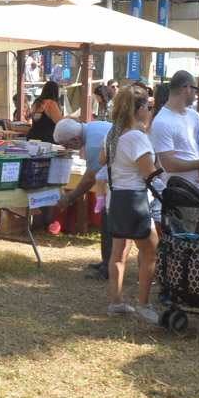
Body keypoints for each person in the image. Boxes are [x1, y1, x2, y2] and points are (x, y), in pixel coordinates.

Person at [97, 88, 159, 323]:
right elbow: (149, 175)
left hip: (116, 200)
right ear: (141, 110)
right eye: (148, 108)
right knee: (151, 250)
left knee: (118, 253)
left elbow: (102, 160)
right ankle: (144, 305)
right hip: (135, 202)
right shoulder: (135, 137)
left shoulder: (113, 134)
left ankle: (117, 302)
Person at [55, 114, 114, 281]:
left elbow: (90, 179)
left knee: (109, 221)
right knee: (106, 220)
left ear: (75, 138)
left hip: (123, 184)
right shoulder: (94, 127)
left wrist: (70, 197)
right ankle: (107, 261)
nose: (69, 148)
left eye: (67, 145)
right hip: (118, 182)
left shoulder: (93, 145)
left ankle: (109, 267)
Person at [151, 70, 199, 205]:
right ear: (188, 89)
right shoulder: (162, 121)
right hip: (181, 194)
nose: (196, 94)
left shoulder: (194, 115)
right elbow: (168, 165)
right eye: (196, 89)